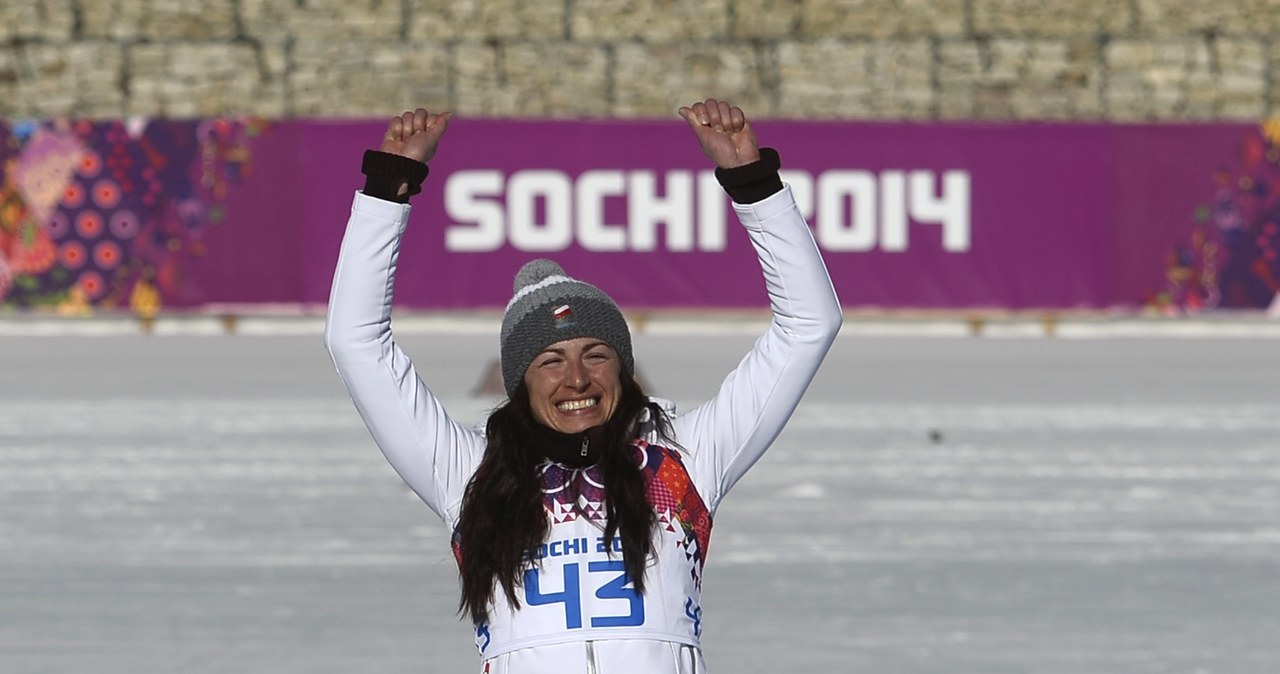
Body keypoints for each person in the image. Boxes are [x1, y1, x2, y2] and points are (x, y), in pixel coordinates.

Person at [325, 98, 842, 673]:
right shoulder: (468, 472)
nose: (577, 378)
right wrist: (388, 191)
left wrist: (754, 185)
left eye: (596, 355)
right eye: (550, 361)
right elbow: (355, 341)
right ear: (519, 381)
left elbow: (809, 325)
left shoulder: (684, 461)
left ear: (623, 367)